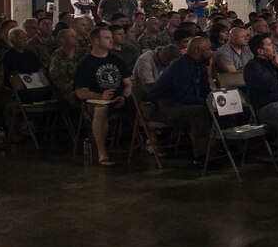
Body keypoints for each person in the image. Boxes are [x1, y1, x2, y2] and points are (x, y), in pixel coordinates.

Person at [147, 36, 212, 165]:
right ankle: (202, 156)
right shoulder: (181, 66)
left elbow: (205, 89)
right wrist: (207, 103)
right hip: (163, 106)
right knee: (200, 111)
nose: (211, 52)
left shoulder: (199, 65)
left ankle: (219, 146)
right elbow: (184, 95)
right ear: (197, 51)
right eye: (208, 49)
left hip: (180, 103)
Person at [73, 26, 133, 166]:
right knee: (100, 109)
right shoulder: (86, 64)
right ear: (96, 41)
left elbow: (129, 83)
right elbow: (80, 91)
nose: (111, 41)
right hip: (97, 100)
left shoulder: (116, 60)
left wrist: (124, 96)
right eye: (107, 38)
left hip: (120, 97)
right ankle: (102, 152)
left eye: (111, 38)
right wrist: (101, 96)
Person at [244, 34, 278, 179]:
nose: (273, 47)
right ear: (260, 51)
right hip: (268, 107)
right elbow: (269, 86)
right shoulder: (252, 67)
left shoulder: (273, 63)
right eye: (269, 45)